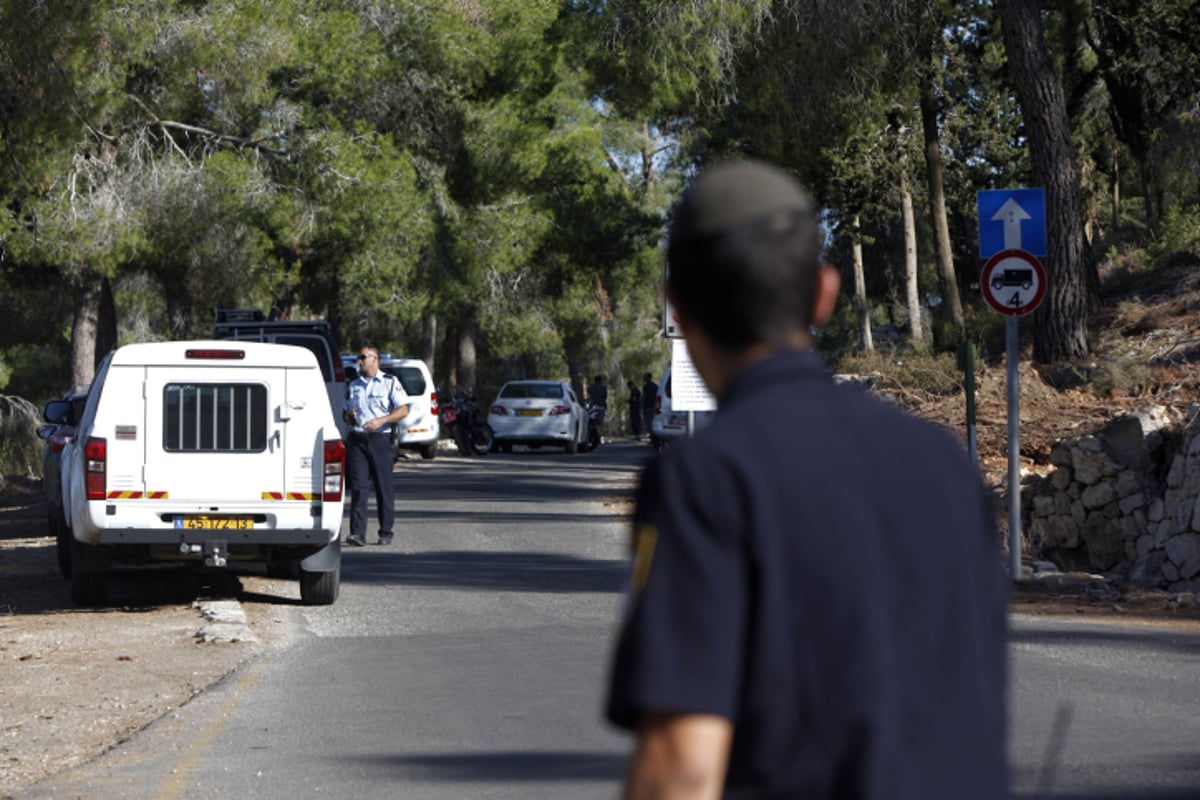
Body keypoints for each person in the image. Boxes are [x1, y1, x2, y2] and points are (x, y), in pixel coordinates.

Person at [606, 160, 1010, 799]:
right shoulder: (943, 464)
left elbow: (683, 768)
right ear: (824, 294)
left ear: (678, 308)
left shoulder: (705, 479)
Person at [343, 346, 409, 547]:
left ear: (375, 359)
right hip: (358, 440)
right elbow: (345, 412)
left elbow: (403, 409)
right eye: (358, 358)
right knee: (359, 488)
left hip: (380, 440)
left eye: (363, 357)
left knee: (383, 487)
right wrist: (348, 416)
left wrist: (382, 420)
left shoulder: (389, 383)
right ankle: (357, 533)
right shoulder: (354, 385)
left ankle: (386, 531)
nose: (360, 361)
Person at [640, 372, 658, 444]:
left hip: (648, 406)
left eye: (645, 376)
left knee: (648, 423)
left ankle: (652, 438)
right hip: (655, 407)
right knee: (654, 422)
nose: (643, 378)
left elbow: (645, 396)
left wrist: (641, 404)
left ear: (648, 377)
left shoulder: (646, 386)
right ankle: (655, 438)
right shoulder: (656, 386)